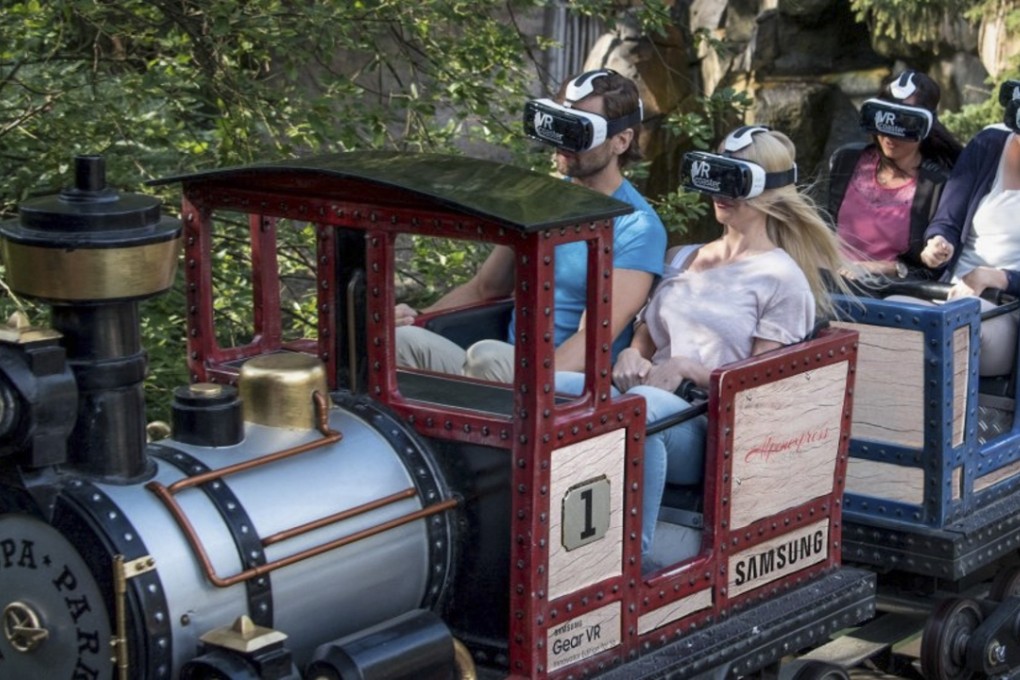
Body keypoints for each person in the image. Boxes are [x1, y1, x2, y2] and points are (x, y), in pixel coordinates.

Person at [558, 126, 850, 563]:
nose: (719, 193)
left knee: (641, 411)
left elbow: (762, 389)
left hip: (711, 427)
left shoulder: (781, 278)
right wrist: (632, 352)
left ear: (766, 190)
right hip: (647, 398)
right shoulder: (684, 256)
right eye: (714, 175)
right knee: (554, 388)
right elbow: (649, 332)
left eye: (734, 182)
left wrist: (687, 368)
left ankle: (627, 565)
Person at [395, 69, 667, 382]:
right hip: (501, 365)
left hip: (567, 384)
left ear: (621, 141)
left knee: (486, 358)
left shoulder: (638, 227)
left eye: (578, 131)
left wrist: (526, 377)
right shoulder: (541, 198)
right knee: (400, 342)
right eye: (559, 125)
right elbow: (486, 287)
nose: (563, 142)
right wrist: (416, 319)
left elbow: (590, 344)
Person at [918, 80, 1020, 376]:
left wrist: (998, 278)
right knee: (891, 312)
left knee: (949, 329)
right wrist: (938, 243)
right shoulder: (989, 144)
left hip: (1006, 311)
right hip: (949, 291)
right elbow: (947, 220)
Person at [828, 70, 962, 280]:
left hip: (892, 295)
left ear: (925, 126)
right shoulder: (846, 161)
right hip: (830, 281)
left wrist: (880, 268)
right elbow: (823, 226)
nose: (890, 136)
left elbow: (932, 268)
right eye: (885, 119)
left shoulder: (938, 184)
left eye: (905, 124)